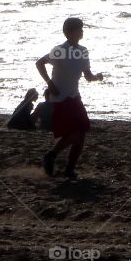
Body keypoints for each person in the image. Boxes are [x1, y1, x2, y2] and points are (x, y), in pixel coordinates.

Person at [36, 18, 103, 180]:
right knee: (74, 133)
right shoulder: (60, 50)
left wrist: (97, 77)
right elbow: (39, 63)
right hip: (60, 98)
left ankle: (69, 169)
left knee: (82, 133)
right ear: (70, 32)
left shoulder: (83, 51)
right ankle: (51, 155)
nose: (82, 31)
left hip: (74, 96)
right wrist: (50, 83)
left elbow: (87, 76)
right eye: (79, 29)